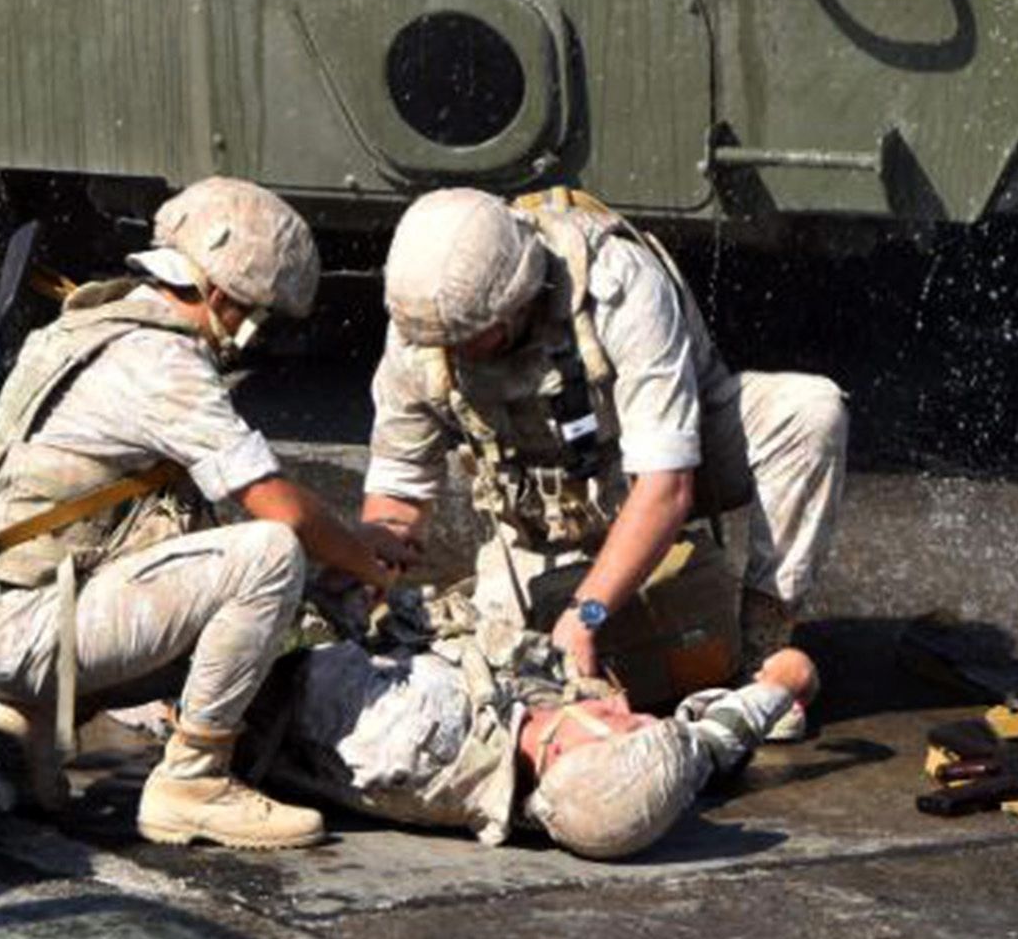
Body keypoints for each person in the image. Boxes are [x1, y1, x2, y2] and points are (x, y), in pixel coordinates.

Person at [0, 177, 404, 850]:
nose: (256, 335)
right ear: (220, 295)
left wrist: (342, 544)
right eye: (260, 313)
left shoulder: (88, 322)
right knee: (269, 557)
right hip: (29, 633)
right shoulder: (162, 361)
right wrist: (368, 565)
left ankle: (26, 726)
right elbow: (274, 506)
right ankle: (193, 779)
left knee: (218, 551)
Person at [357, 188, 848, 730]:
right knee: (502, 693)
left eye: (476, 337)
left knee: (809, 414)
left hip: (676, 466)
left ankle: (761, 646)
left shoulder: (616, 283)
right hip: (544, 522)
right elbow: (400, 490)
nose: (458, 351)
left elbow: (666, 486)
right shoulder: (423, 327)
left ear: (518, 297)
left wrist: (585, 615)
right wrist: (366, 572)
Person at [252, 605, 818, 862]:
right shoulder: (624, 779)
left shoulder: (419, 730)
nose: (629, 708)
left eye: (627, 723)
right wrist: (783, 684)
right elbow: (720, 733)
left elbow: (280, 662)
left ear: (571, 745)